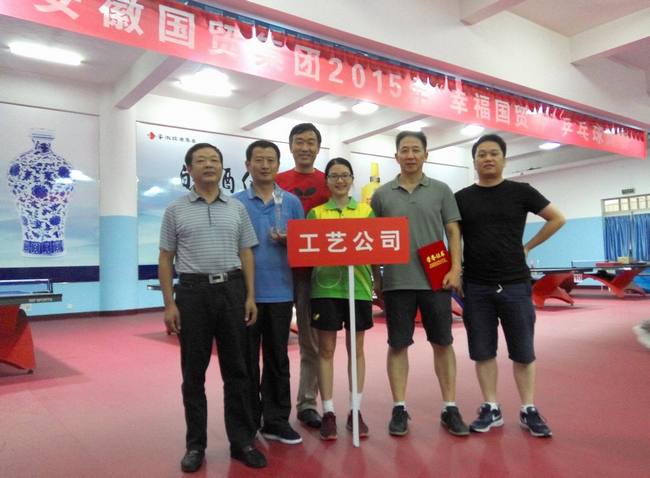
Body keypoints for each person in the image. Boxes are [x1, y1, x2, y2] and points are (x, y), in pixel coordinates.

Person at [158, 143, 266, 472]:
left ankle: (242, 442)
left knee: (238, 371)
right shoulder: (175, 210)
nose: (209, 165)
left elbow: (246, 253)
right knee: (193, 374)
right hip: (192, 294)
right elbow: (166, 258)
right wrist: (169, 304)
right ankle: (195, 446)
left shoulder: (236, 208)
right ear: (189, 169)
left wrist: (250, 296)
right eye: (201, 160)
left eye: (215, 160)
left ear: (222, 168)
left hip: (232, 291)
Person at [455, 133, 565, 438]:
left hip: (515, 283)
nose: (488, 159)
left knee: (523, 351)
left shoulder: (521, 192)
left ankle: (528, 408)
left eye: (494, 153)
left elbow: (557, 218)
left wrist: (528, 246)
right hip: (476, 285)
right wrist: (455, 269)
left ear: (504, 159)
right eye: (482, 154)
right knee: (482, 351)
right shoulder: (461, 198)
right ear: (474, 161)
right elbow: (453, 237)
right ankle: (491, 407)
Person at [371, 131, 469, 437]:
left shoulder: (441, 190)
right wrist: (377, 278)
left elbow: (453, 232)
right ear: (396, 156)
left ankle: (450, 407)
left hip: (436, 280)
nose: (410, 155)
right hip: (397, 282)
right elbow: (373, 239)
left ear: (426, 155)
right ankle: (399, 407)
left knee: (443, 343)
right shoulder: (382, 195)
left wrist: (456, 269)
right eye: (405, 150)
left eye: (416, 150)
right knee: (398, 345)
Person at [233, 140, 304, 445]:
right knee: (246, 361)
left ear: (278, 165)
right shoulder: (235, 203)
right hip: (244, 295)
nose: (264, 165)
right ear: (247, 165)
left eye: (270, 160)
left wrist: (291, 241)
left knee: (278, 359)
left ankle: (276, 421)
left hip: (281, 292)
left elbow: (304, 246)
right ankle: (248, 422)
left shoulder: (291, 203)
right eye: (258, 160)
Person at [306, 157, 379, 440]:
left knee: (356, 350)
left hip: (358, 289)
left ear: (351, 179)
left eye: (345, 175)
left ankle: (355, 410)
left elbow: (375, 252)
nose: (340, 180)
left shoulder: (365, 211)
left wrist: (378, 281)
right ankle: (328, 412)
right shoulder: (316, 214)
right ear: (326, 181)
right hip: (325, 289)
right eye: (334, 175)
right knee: (325, 350)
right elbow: (307, 251)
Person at [276, 123, 330, 429]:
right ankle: (272, 407)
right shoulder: (277, 181)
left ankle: (308, 403)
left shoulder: (328, 182)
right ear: (291, 146)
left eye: (311, 142)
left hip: (315, 275)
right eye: (300, 142)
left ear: (318, 148)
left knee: (311, 343)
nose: (305, 147)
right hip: (278, 273)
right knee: (274, 344)